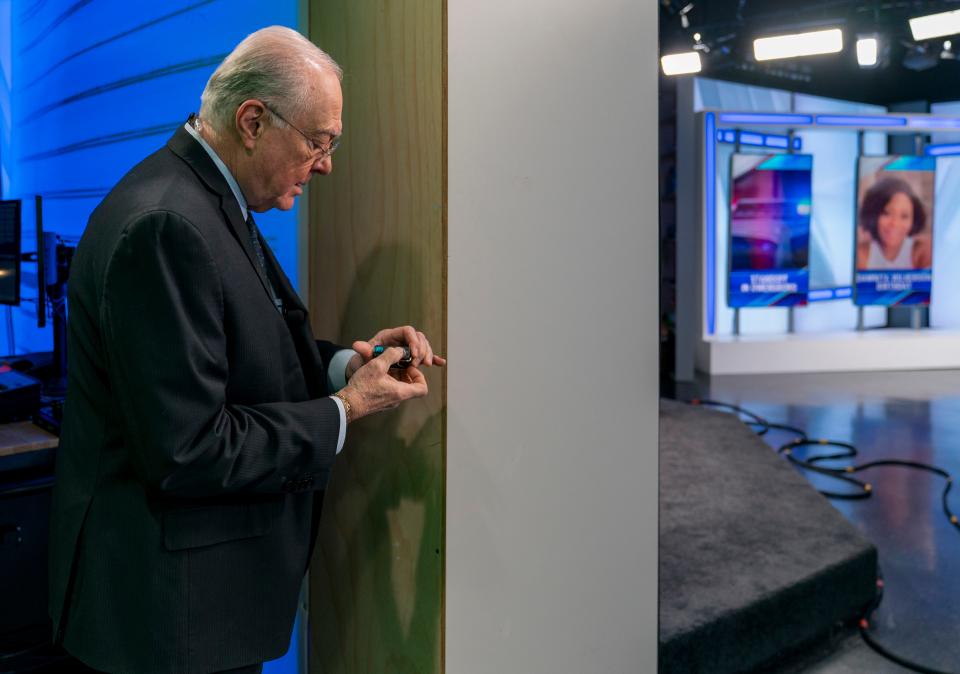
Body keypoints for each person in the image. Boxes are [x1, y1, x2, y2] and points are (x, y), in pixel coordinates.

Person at [47, 26, 444, 674]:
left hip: (192, 609)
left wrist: (351, 363)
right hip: (167, 623)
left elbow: (239, 356)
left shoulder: (201, 200)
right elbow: (189, 449)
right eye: (319, 141)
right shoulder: (166, 225)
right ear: (254, 120)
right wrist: (344, 409)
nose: (327, 164)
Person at [856, 175, 931, 270]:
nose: (895, 223)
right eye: (886, 213)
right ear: (874, 214)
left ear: (913, 220)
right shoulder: (861, 254)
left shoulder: (922, 251)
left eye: (904, 216)